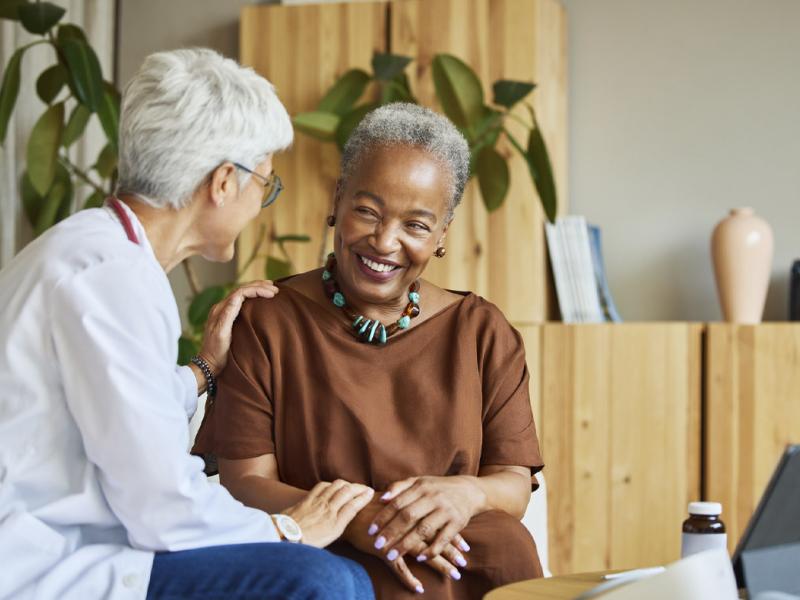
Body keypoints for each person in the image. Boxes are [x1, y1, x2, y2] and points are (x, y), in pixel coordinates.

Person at [0, 49, 375, 600]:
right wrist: (289, 528)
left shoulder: (95, 252)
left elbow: (122, 415)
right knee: (328, 582)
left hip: (64, 545)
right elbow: (160, 505)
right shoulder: (110, 275)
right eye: (264, 184)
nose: (260, 204)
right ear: (224, 181)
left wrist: (203, 368)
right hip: (43, 565)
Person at [192, 103, 545, 599]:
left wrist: (467, 493)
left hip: (452, 545)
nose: (384, 241)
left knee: (506, 543)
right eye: (367, 211)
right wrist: (357, 518)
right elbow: (244, 482)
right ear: (338, 199)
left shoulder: (483, 331)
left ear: (443, 232)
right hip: (326, 546)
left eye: (416, 225)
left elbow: (512, 481)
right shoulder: (268, 320)